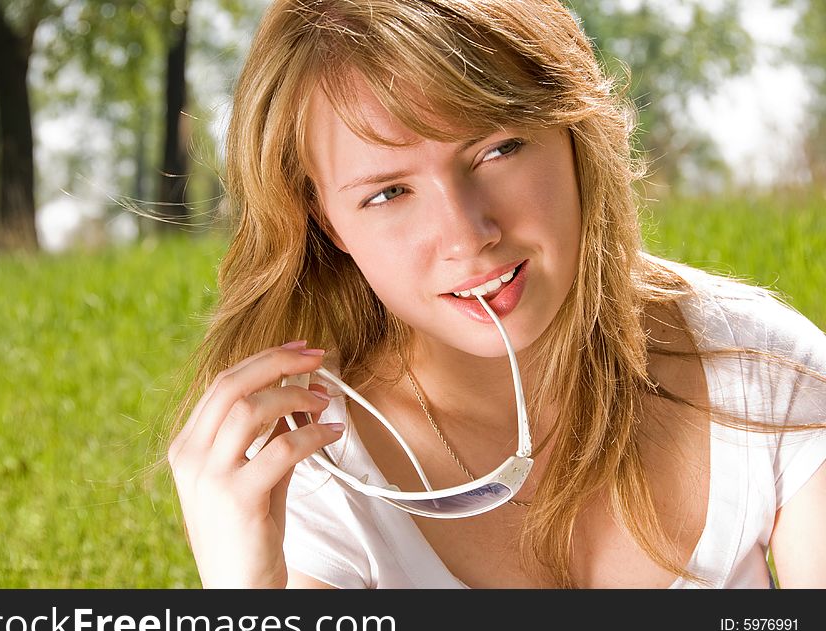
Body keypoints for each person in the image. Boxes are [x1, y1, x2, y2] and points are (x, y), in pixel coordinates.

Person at [166, 0, 826, 589]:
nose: (467, 235)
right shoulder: (317, 467)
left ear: (573, 132)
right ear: (324, 221)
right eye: (389, 192)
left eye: (497, 149)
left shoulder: (764, 369)